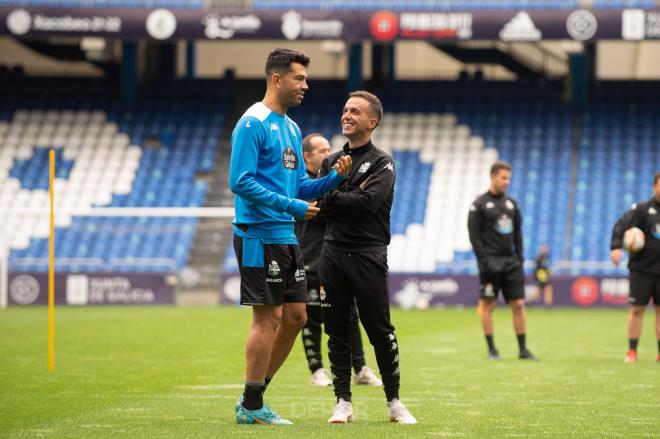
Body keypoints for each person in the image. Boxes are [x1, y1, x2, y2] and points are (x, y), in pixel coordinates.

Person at [229, 48, 352, 425]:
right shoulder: (253, 123)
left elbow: (299, 184)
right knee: (267, 320)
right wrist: (291, 206)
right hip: (258, 235)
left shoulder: (292, 128)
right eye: (299, 78)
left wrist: (334, 179)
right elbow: (240, 181)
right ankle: (252, 405)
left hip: (286, 236)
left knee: (297, 317)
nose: (306, 85)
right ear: (277, 79)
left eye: (306, 79)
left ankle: (254, 396)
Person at [317, 91, 417, 424]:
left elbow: (368, 204)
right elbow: (320, 206)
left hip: (367, 255)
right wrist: (347, 188)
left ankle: (394, 402)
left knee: (379, 330)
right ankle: (343, 401)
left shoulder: (382, 162)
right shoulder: (329, 162)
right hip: (331, 254)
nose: (346, 115)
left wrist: (338, 191)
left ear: (371, 121)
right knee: (337, 331)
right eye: (345, 109)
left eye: (355, 111)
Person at [295, 133, 382, 387]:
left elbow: (344, 209)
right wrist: (349, 198)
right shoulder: (301, 184)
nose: (328, 154)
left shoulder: (333, 182)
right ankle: (317, 370)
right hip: (310, 258)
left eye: (328, 149)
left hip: (339, 258)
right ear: (307, 156)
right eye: (322, 150)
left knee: (351, 315)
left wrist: (342, 200)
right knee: (310, 318)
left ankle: (361, 368)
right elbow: (319, 211)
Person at [468, 160, 537, 361]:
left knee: (519, 305)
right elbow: (474, 236)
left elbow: (518, 233)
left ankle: (523, 350)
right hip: (490, 264)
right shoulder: (478, 205)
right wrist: (484, 261)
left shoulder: (512, 204)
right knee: (488, 306)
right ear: (493, 177)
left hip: (511, 263)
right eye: (503, 178)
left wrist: (520, 257)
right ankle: (492, 350)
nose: (507, 182)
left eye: (509, 178)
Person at [610, 171, 660, 363]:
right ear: (654, 187)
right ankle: (632, 351)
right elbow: (620, 225)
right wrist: (615, 247)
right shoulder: (641, 209)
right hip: (642, 269)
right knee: (637, 309)